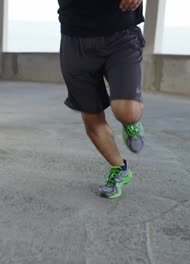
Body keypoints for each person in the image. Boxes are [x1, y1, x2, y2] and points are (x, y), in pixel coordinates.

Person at [58, 0, 146, 199]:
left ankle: (131, 124)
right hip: (74, 38)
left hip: (120, 32)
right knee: (91, 116)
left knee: (128, 112)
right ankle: (120, 168)